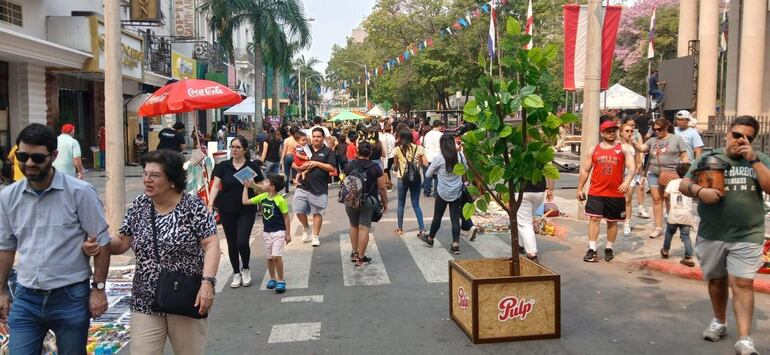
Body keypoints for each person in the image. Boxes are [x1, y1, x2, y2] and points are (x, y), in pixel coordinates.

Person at [84, 149, 219, 354]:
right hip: (145, 297)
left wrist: (207, 283)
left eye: (155, 175)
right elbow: (121, 242)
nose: (147, 180)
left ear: (172, 180)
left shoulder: (193, 207)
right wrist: (100, 242)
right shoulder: (140, 205)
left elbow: (211, 245)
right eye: (145, 174)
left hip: (184, 294)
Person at [0, 123, 111, 353]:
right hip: (26, 297)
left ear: (54, 155)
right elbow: (6, 247)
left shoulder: (80, 193)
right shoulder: (8, 197)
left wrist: (98, 289)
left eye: (37, 158)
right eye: (23, 156)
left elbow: (102, 242)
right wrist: (1, 290)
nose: (29, 163)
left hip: (70, 297)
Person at [678, 116, 769, 355]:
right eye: (737, 134)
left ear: (753, 139)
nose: (741, 140)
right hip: (712, 233)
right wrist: (700, 191)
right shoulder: (709, 158)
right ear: (728, 133)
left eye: (747, 137)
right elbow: (683, 184)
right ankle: (719, 321)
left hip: (748, 234)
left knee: (743, 284)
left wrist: (754, 160)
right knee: (717, 281)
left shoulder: (759, 160)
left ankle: (745, 339)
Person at [208, 136, 264, 288]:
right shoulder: (223, 166)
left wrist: (253, 185)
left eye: (238, 147)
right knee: (232, 243)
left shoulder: (252, 166)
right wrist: (210, 203)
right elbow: (215, 186)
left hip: (246, 209)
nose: (234, 150)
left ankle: (245, 268)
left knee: (242, 241)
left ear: (245, 150)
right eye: (232, 147)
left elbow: (262, 187)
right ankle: (236, 273)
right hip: (227, 209)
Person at [577, 120, 636, 262]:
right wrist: (579, 188)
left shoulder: (623, 148)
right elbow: (585, 170)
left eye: (613, 131)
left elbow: (632, 167)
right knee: (594, 218)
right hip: (596, 191)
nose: (612, 133)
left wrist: (627, 182)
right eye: (608, 131)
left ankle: (609, 247)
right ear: (602, 132)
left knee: (612, 221)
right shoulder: (594, 150)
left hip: (615, 193)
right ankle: (592, 249)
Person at [630, 118, 690, 239]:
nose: (657, 131)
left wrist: (686, 172)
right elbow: (642, 149)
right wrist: (634, 142)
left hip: (671, 173)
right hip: (654, 173)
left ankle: (672, 223)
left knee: (669, 198)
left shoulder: (676, 139)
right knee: (656, 199)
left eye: (659, 129)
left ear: (666, 127)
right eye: (654, 129)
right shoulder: (653, 140)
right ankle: (658, 227)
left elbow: (684, 155)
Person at [243, 174, 291, 293]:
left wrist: (288, 233)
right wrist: (245, 187)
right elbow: (245, 202)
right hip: (267, 232)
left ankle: (280, 280)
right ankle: (272, 278)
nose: (263, 183)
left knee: (276, 257)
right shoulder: (263, 197)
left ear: (272, 187)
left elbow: (286, 217)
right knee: (269, 258)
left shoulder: (280, 200)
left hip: (279, 232)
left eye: (266, 182)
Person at [342, 141, 388, 266]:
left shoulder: (350, 165)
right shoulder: (375, 167)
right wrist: (385, 203)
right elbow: (382, 188)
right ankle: (361, 257)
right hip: (368, 201)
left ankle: (354, 252)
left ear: (357, 151)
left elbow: (344, 181)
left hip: (351, 200)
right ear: (371, 153)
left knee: (353, 225)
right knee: (364, 228)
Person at [421, 134, 468, 254]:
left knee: (437, 217)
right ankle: (456, 244)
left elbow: (427, 175)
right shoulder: (460, 156)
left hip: (442, 192)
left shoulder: (439, 158)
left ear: (441, 145)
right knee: (455, 218)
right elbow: (465, 169)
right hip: (457, 191)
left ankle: (430, 238)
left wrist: (436, 170)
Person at [293, 128, 337, 247]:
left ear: (323, 138)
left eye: (318, 136)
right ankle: (306, 227)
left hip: (319, 188)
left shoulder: (328, 152)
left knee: (317, 213)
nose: (316, 138)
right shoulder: (305, 148)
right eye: (314, 136)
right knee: (298, 209)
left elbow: (332, 168)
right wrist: (298, 167)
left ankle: (315, 236)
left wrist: (317, 163)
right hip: (303, 186)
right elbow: (294, 161)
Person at [392, 128, 428, 237]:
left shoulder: (397, 149)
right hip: (416, 179)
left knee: (401, 204)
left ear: (401, 138)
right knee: (416, 204)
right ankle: (422, 229)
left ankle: (400, 228)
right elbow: (426, 164)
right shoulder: (419, 148)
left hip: (402, 179)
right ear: (411, 137)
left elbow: (396, 166)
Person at [661, 164, 695, 267]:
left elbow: (665, 195)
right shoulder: (691, 183)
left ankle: (665, 250)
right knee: (685, 236)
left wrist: (671, 200)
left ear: (677, 173)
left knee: (670, 232)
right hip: (686, 214)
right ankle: (688, 257)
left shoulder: (673, 182)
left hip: (674, 213)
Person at [517, 178, 554, 263]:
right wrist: (550, 189)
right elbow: (550, 170)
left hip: (521, 190)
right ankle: (520, 244)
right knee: (523, 217)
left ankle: (532, 253)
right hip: (539, 191)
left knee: (524, 222)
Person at [619, 118, 646, 236]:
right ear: (621, 132)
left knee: (627, 200)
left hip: (630, 176)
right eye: (627, 131)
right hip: (618, 176)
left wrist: (641, 175)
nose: (630, 133)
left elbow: (638, 161)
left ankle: (627, 224)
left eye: (631, 131)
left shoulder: (634, 145)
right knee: (617, 200)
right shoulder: (617, 145)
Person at [422, 120, 444, 197]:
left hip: (428, 157)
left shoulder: (427, 135)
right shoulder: (441, 135)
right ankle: (436, 192)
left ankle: (426, 191)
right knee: (437, 176)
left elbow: (424, 145)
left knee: (428, 175)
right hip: (438, 157)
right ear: (439, 126)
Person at [280, 126, 299, 193]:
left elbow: (284, 151)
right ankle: (297, 187)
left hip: (288, 156)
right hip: (296, 157)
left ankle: (286, 189)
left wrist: (281, 160)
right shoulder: (299, 140)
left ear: (290, 132)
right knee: (296, 172)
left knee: (287, 173)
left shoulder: (287, 140)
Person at [381, 124, 396, 191]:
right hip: (392, 155)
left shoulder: (382, 137)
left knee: (386, 171)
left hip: (386, 156)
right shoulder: (393, 137)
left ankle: (388, 185)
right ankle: (388, 184)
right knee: (388, 170)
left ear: (384, 129)